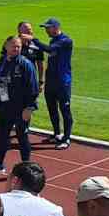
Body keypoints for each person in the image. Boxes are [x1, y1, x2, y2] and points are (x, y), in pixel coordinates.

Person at [0, 35, 39, 176]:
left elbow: (33, 88)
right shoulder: (1, 62)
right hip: (5, 106)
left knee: (22, 137)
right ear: (6, 46)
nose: (16, 49)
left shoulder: (25, 64)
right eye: (13, 46)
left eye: (18, 46)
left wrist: (29, 108)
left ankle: (26, 169)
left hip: (21, 108)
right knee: (2, 135)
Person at [31, 18, 75, 150]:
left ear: (56, 27)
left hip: (62, 82)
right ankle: (57, 133)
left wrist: (34, 40)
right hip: (51, 81)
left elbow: (49, 50)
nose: (46, 30)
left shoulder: (66, 41)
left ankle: (66, 138)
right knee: (52, 108)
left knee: (65, 110)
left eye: (48, 28)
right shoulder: (53, 40)